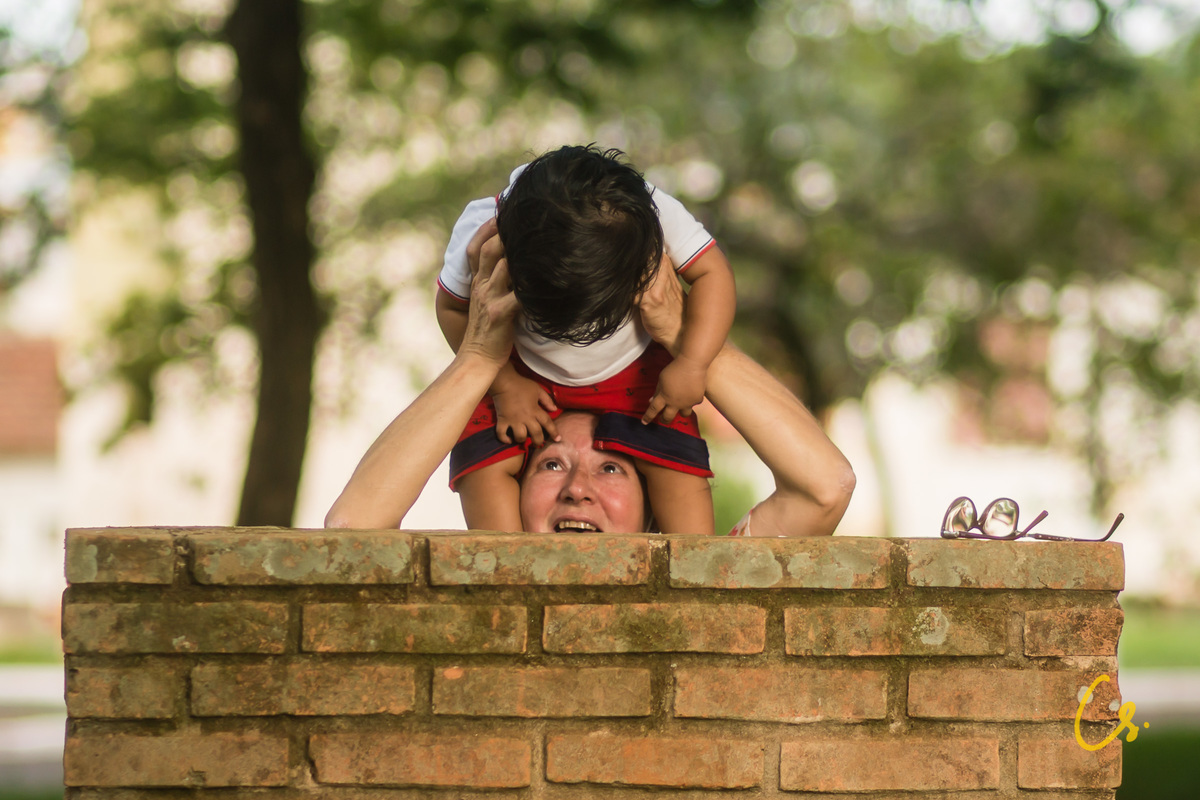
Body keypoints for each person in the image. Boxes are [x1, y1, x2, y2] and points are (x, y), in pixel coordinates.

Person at [326, 221, 855, 537]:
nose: (578, 491)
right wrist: (480, 360)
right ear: (512, 496)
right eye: (552, 463)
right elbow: (350, 532)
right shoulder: (468, 591)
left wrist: (685, 338)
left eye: (611, 469)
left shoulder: (703, 586)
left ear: (652, 515)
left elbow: (825, 488)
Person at [434, 145, 736, 535]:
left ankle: (691, 579)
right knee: (483, 462)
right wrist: (504, 386)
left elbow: (714, 274)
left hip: (636, 373)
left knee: (675, 465)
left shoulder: (656, 212)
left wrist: (692, 362)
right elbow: (453, 309)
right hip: (521, 370)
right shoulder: (483, 226)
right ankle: (508, 573)